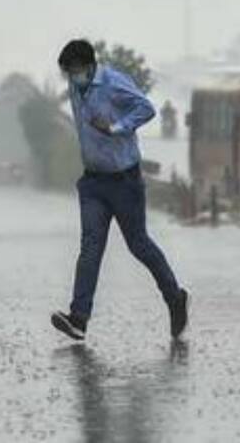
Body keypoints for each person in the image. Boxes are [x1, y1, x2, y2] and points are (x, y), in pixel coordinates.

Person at [50, 39, 189, 342]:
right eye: (67, 73)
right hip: (93, 182)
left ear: (89, 66)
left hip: (124, 181)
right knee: (90, 247)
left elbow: (146, 108)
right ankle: (79, 318)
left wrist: (115, 127)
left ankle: (175, 298)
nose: (72, 77)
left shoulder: (113, 83)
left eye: (74, 70)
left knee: (138, 245)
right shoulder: (75, 88)